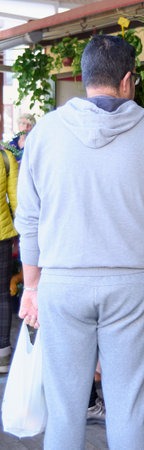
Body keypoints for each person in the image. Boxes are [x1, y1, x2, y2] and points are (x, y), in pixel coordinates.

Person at [15, 34, 144, 450]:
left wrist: (32, 285)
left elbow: (29, 220)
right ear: (128, 80)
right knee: (128, 409)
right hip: (134, 287)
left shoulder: (44, 132)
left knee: (64, 411)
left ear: (83, 77)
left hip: (62, 284)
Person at [0, 147, 19, 372]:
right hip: (2, 237)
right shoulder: (5, 157)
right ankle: (3, 355)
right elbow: (17, 201)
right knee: (3, 294)